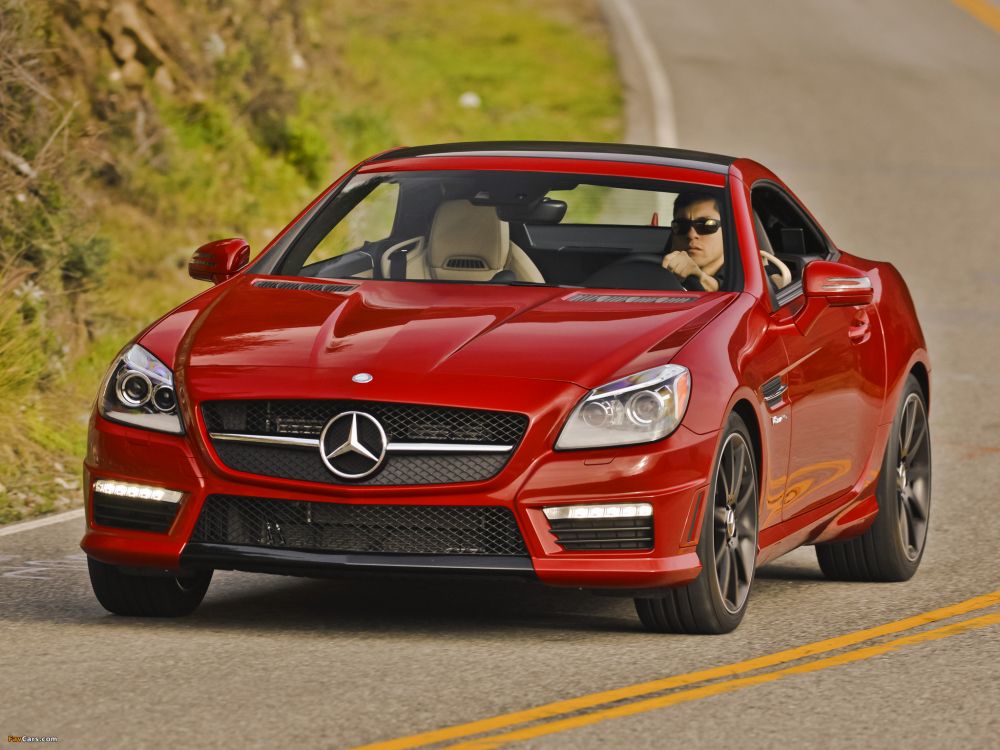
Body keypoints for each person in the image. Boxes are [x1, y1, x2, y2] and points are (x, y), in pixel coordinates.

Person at [661, 192, 725, 292]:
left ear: (728, 230)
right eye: (682, 225)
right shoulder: (656, 276)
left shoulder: (752, 275)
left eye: (707, 225)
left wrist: (700, 278)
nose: (691, 235)